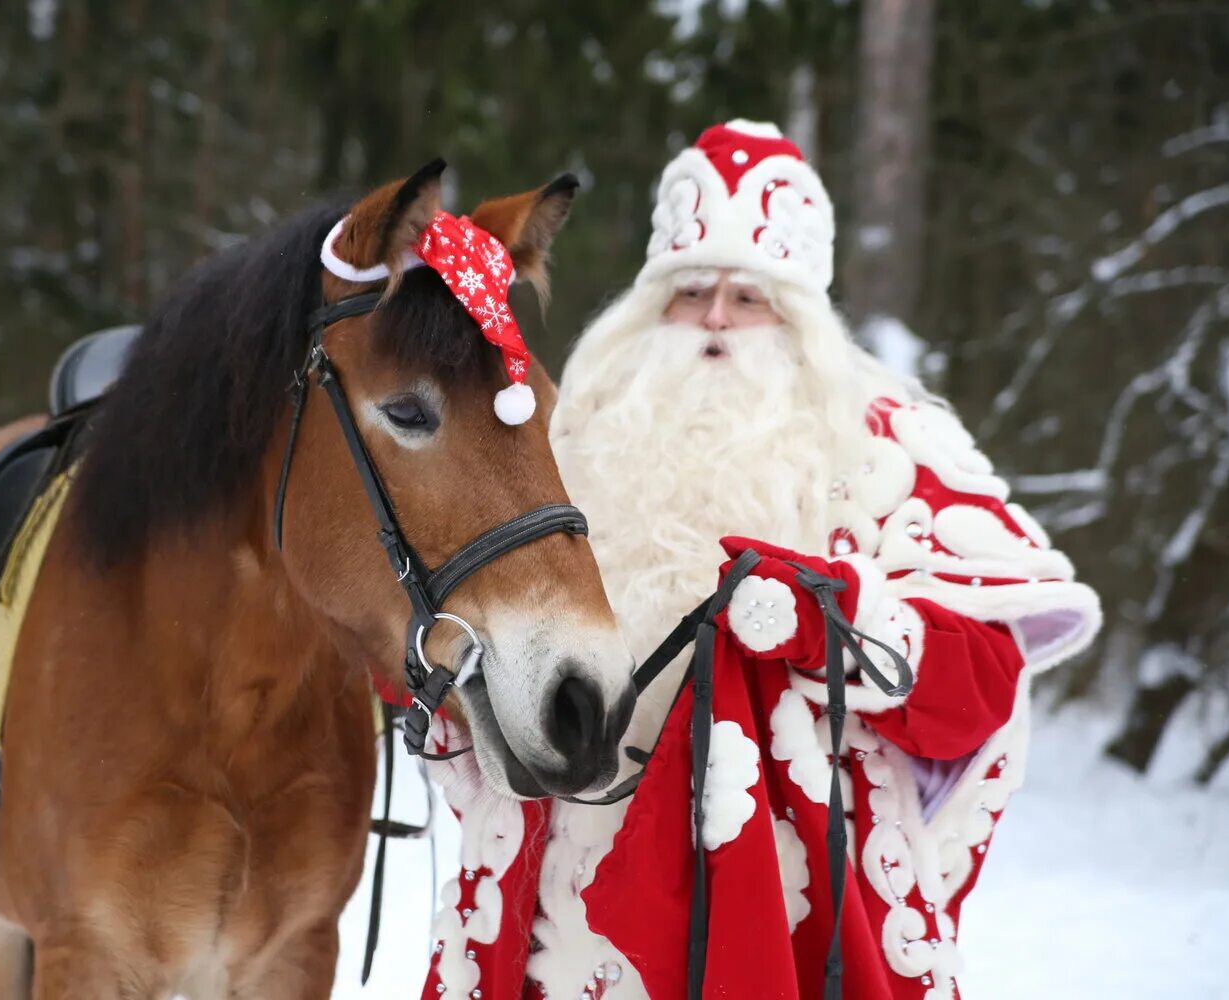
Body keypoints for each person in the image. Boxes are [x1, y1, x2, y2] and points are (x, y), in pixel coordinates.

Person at [419, 120, 1102, 1000]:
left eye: (751, 297)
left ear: (805, 316)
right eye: (689, 289)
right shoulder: (559, 442)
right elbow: (449, 639)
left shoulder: (891, 444)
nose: (713, 318)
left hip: (781, 931)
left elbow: (981, 684)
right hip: (549, 934)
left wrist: (828, 621)